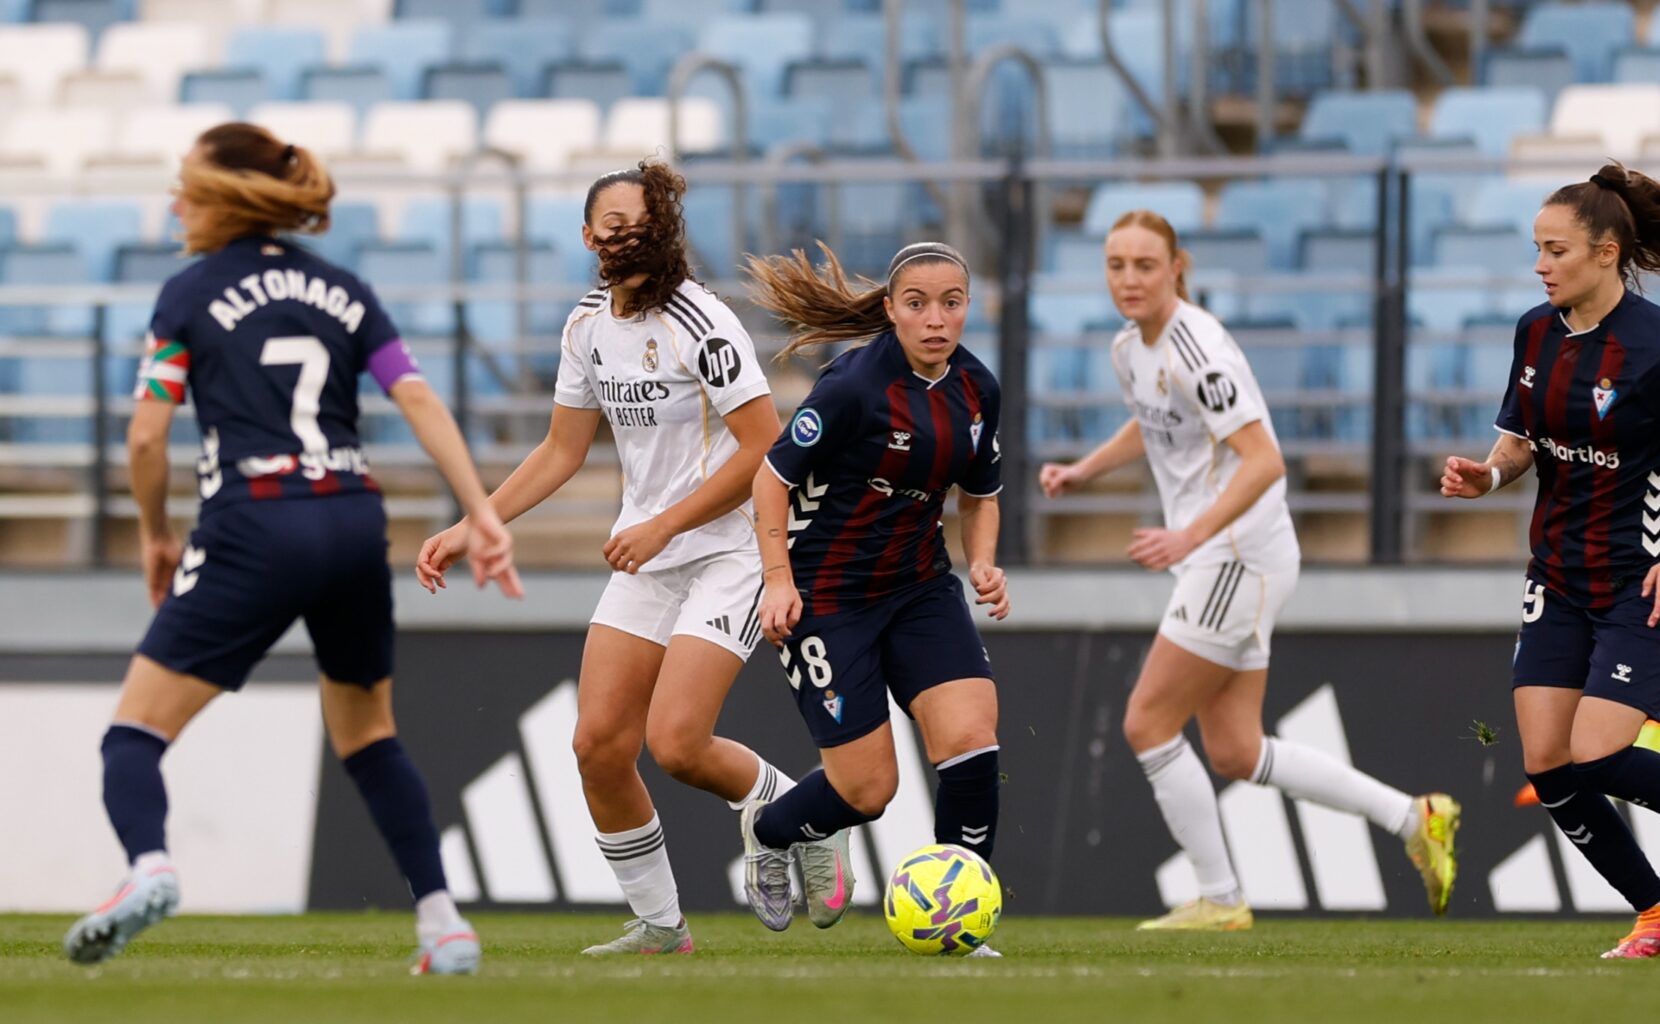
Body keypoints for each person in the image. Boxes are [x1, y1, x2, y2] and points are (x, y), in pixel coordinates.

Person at [64, 123, 521, 974]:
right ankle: (444, 923)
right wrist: (480, 510)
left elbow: (143, 439)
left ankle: (150, 867)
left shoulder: (189, 293)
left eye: (187, 192)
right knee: (370, 735)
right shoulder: (346, 288)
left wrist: (157, 532)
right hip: (351, 518)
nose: (174, 208)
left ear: (223, 200)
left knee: (133, 734)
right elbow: (416, 398)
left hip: (253, 521)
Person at [415, 162, 800, 956]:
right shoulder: (586, 325)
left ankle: (785, 811)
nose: (627, 234)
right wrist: (473, 522)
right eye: (611, 224)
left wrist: (662, 525)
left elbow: (765, 449)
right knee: (597, 745)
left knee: (680, 745)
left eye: (641, 221)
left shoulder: (704, 322)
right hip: (649, 556)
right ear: (588, 237)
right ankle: (662, 926)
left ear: (666, 228)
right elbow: (561, 451)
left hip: (728, 550)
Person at [1036, 210, 1461, 930]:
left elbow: (1265, 459)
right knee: (1235, 749)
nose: (1129, 279)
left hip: (1236, 554)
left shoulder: (1199, 348)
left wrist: (1189, 535)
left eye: (1145, 264)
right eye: (1116, 265)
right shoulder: (1127, 348)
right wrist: (1084, 471)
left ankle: (1222, 898)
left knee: (1146, 722)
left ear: (1178, 267)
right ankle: (1413, 818)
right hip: (1226, 556)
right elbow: (1153, 417)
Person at [1440, 162, 1660, 958]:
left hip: (1642, 585)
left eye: (1555, 250)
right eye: (1536, 250)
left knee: (1598, 751)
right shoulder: (1534, 331)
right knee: (1548, 761)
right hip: (1556, 576)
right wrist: (1488, 475)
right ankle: (1658, 912)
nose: (1540, 264)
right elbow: (1520, 442)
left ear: (1606, 253)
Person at [735, 241, 1008, 957]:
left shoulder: (979, 390)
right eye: (917, 304)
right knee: (867, 790)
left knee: (972, 735)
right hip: (826, 594)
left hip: (919, 587)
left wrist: (982, 563)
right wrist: (777, 579)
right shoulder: (853, 387)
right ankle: (771, 830)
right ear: (890, 311)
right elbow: (770, 480)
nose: (935, 318)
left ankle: (961, 920)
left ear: (966, 308)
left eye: (952, 302)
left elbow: (981, 496)